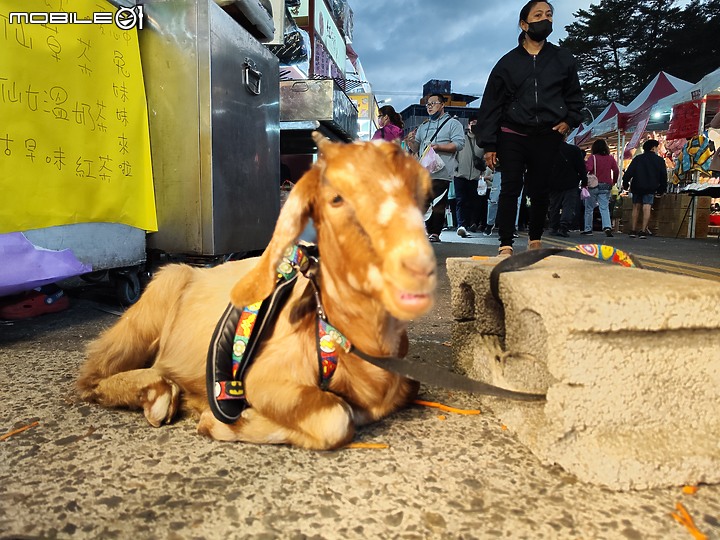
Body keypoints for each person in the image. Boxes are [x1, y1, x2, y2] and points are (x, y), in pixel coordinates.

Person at [476, 0, 583, 256]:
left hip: (547, 135)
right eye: (538, 15)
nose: (545, 19)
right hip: (512, 133)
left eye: (548, 14)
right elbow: (491, 104)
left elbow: (575, 97)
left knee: (540, 189)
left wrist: (569, 120)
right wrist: (489, 144)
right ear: (524, 24)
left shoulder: (563, 59)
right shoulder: (507, 64)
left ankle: (535, 240)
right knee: (510, 187)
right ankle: (505, 244)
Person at [406, 93, 465, 243]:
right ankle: (425, 230)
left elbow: (458, 144)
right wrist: (411, 142)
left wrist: (439, 147)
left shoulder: (453, 124)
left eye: (433, 103)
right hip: (424, 170)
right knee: (423, 201)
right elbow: (416, 147)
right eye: (427, 104)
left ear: (442, 105)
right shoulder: (423, 126)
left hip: (442, 170)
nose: (430, 107)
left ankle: (435, 232)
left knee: (438, 202)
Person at [622, 139, 667, 239]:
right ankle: (643, 231)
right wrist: (661, 189)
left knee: (636, 207)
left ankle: (633, 230)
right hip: (650, 187)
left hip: (637, 186)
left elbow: (629, 172)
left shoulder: (638, 158)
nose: (657, 149)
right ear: (653, 148)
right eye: (656, 147)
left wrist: (625, 183)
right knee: (647, 207)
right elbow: (663, 176)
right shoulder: (659, 161)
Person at [454, 115, 486, 237]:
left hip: (475, 177)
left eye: (477, 123)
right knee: (461, 201)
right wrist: (455, 169)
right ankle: (461, 225)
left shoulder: (482, 141)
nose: (475, 125)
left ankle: (471, 223)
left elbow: (485, 157)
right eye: (473, 123)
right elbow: (455, 154)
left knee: (473, 202)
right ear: (468, 125)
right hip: (460, 175)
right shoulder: (461, 138)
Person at [581, 138, 619, 237]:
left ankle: (588, 229)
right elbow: (616, 170)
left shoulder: (592, 158)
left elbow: (588, 169)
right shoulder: (610, 158)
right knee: (604, 207)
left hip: (593, 185)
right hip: (606, 185)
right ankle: (607, 226)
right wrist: (614, 181)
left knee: (589, 208)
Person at [548, 139, 586, 237]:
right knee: (568, 206)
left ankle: (553, 226)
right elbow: (581, 167)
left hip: (553, 182)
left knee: (554, 205)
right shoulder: (574, 150)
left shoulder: (549, 149)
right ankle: (564, 226)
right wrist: (584, 181)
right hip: (571, 182)